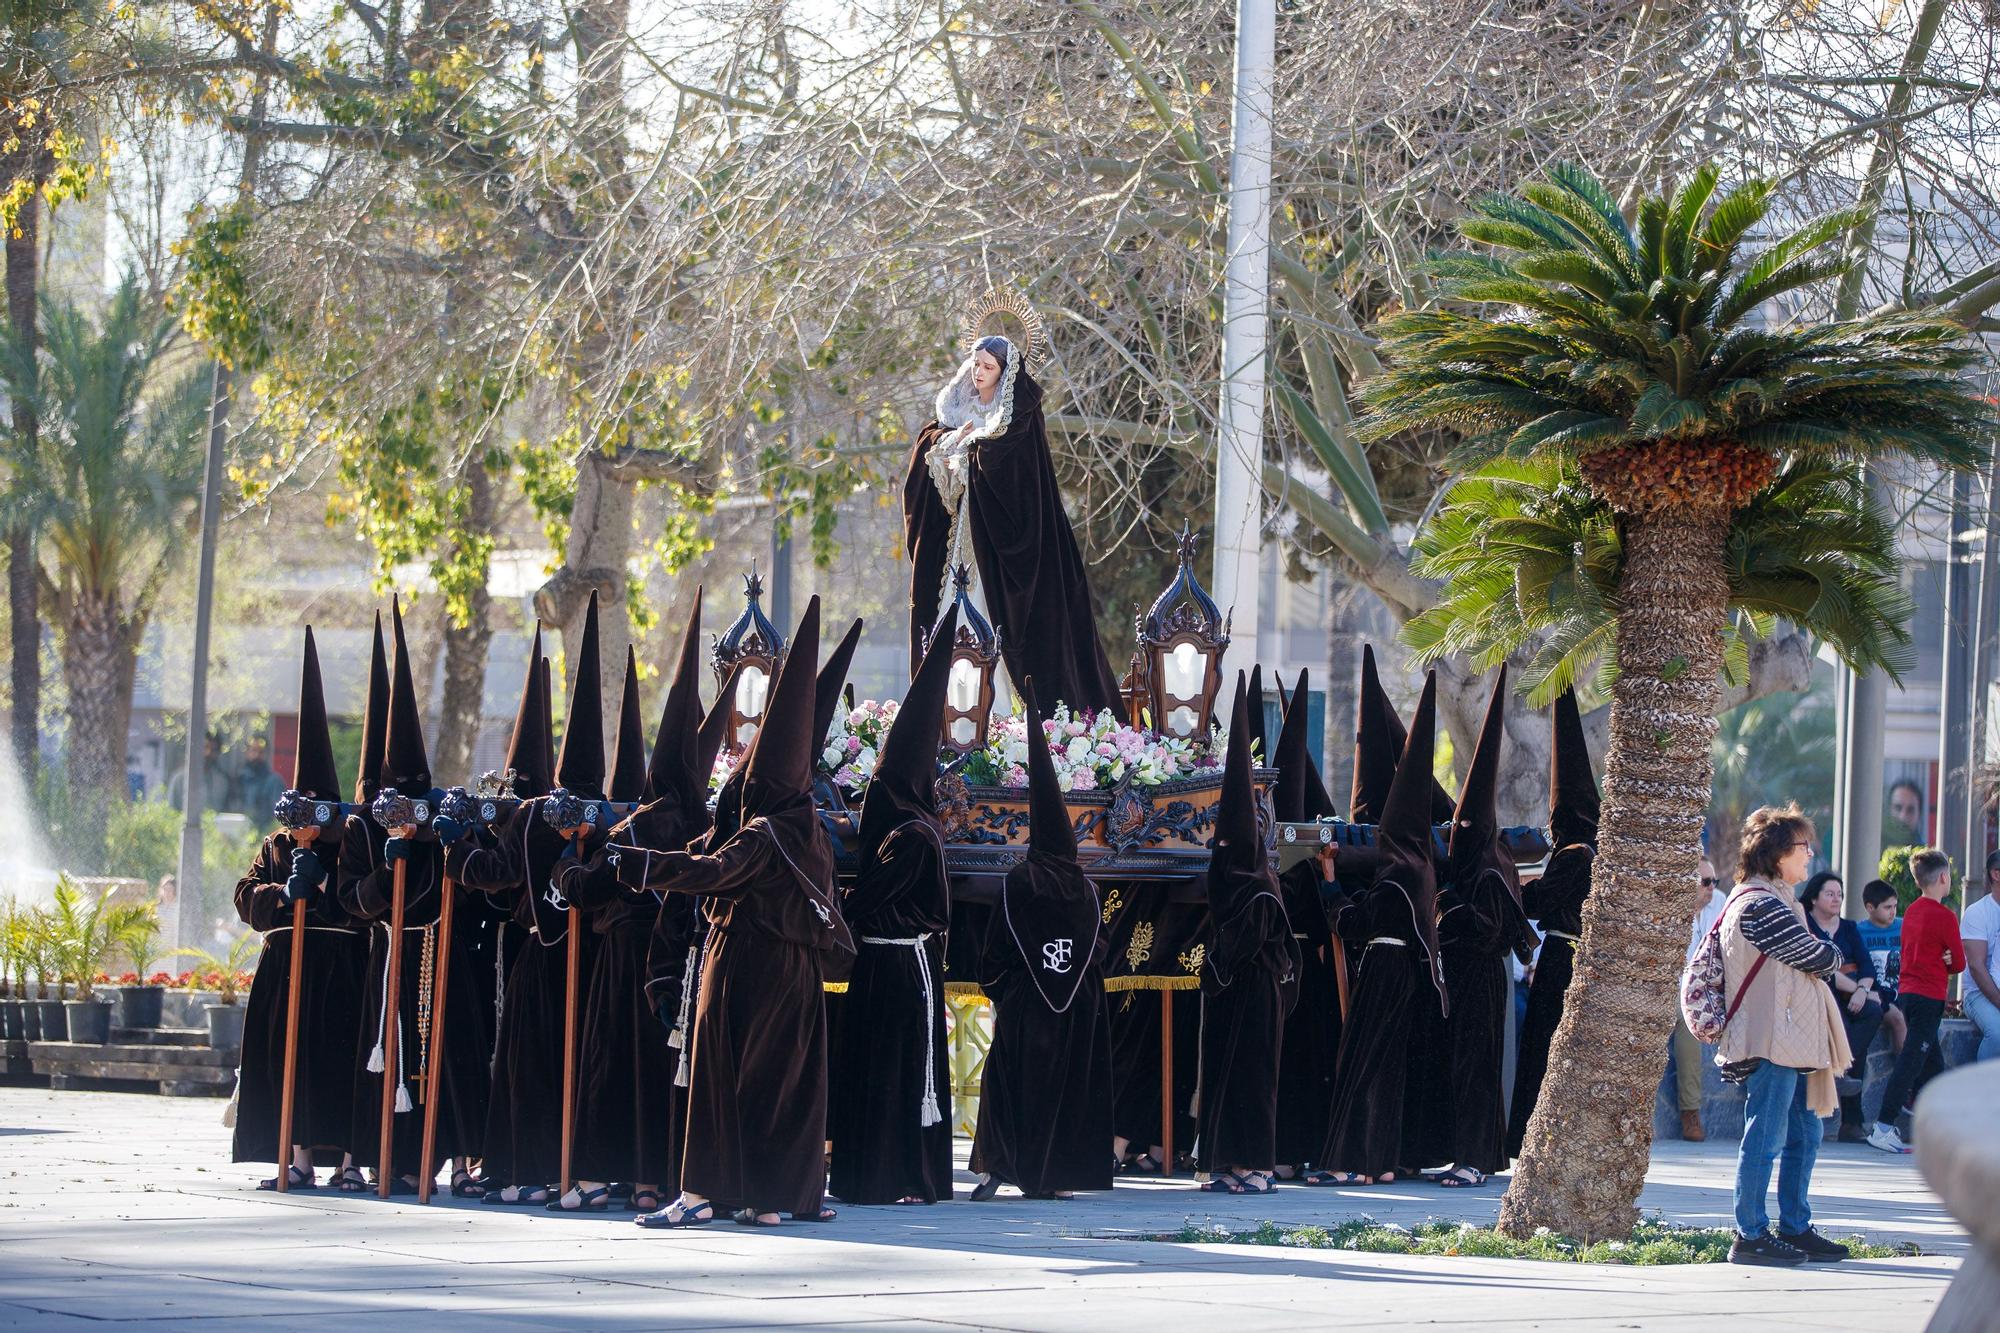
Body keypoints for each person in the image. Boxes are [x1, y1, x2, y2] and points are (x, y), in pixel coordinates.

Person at [609, 599, 851, 1228]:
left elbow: (711, 873)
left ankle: (697, 1195)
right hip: (797, 975)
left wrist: (639, 865)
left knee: (720, 1080)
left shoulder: (766, 830)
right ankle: (772, 1200)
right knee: (785, 1085)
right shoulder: (813, 830)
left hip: (743, 964)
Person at [338, 599, 490, 1196]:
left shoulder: (439, 821)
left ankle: (454, 1158)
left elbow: (470, 888)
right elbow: (353, 900)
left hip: (443, 956)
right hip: (389, 958)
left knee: (451, 1057)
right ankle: (388, 1159)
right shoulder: (362, 830)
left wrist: (444, 845)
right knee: (387, 1056)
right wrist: (386, 867)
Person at [902, 327, 1124, 717]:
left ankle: (998, 713)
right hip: (960, 536)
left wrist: (972, 449)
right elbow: (931, 464)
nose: (979, 372)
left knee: (988, 613)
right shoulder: (953, 413)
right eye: (976, 364)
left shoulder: (1017, 417)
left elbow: (1017, 479)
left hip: (997, 544)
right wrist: (951, 446)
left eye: (988, 366)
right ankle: (947, 714)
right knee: (949, 613)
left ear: (1004, 372)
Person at [442, 619, 576, 1208]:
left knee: (524, 1062)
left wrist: (456, 844)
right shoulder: (558, 812)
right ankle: (541, 1168)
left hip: (534, 951)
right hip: (570, 949)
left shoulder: (527, 817)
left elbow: (493, 874)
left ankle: (525, 1170)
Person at [827, 608, 959, 1206]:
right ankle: (866, 1175)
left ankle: (902, 1177)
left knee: (896, 1074)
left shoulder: (911, 838)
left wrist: (837, 898)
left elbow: (872, 898)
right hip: (884, 970)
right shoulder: (904, 830)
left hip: (901, 971)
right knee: (871, 1072)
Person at [230, 628, 368, 1192]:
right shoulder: (276, 848)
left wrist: (329, 888)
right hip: (287, 964)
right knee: (285, 1061)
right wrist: (285, 894)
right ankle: (296, 1156)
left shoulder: (350, 842)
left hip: (339, 968)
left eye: (308, 817)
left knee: (338, 1063)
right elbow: (245, 896)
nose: (299, 828)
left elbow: (362, 901)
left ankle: (349, 1162)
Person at [969, 677, 1116, 1202]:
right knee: (1064, 1089)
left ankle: (998, 1167)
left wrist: (1001, 990)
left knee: (1011, 1084)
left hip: (1029, 1006)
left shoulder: (1018, 880)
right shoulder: (1089, 888)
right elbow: (1099, 951)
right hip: (1076, 1008)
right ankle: (1052, 1176)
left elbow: (996, 950)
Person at [1308, 671, 1448, 1188]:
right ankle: (1383, 1161)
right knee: (1388, 1072)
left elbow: (1352, 922)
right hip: (1406, 976)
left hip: (1383, 972)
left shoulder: (1394, 878)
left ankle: (1354, 1163)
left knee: (1362, 1066)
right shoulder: (1420, 871)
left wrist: (1328, 880)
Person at [1405, 666, 1534, 1187]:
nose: (1457, 837)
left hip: (1480, 981)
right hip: (1456, 981)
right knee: (1451, 1067)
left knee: (1478, 1070)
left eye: (1464, 830)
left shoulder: (1490, 873)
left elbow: (1491, 930)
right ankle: (1452, 1150)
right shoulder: (1464, 869)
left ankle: (1477, 1159)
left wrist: (1449, 907)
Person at [549, 645, 661, 1213]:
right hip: (666, 962)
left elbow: (585, 889)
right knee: (655, 1070)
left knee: (610, 1064)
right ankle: (647, 1180)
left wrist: (567, 862)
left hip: (624, 960)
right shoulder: (679, 823)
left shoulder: (628, 833)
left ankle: (594, 1178)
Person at [1720, 803, 1851, 1268]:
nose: (1810, 855)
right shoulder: (1759, 903)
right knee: (1766, 1137)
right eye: (1802, 846)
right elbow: (1815, 956)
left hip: (1790, 1041)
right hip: (1771, 1040)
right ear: (1777, 854)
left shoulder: (1778, 899)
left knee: (1803, 1134)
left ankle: (1794, 1226)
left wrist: (1827, 953)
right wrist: (1832, 954)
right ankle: (1750, 1234)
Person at [1190, 674, 1299, 1195]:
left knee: (1254, 1082)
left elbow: (1244, 944)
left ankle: (1256, 1165)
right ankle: (1227, 1162)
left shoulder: (1259, 887)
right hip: (1233, 996)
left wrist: (1213, 969)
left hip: (1254, 995)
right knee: (1227, 1080)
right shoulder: (1241, 881)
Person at [1507, 687, 1597, 1159]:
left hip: (1564, 956)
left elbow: (1541, 901)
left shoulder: (1575, 854)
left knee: (1545, 1043)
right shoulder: (1594, 853)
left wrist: (1510, 887)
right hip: (1572, 954)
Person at [1270, 668, 1344, 1177]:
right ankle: (1280, 1152)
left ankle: (1300, 1151)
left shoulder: (1315, 861)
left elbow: (1324, 920)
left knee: (1301, 1064)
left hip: (1304, 974)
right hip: (1284, 968)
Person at [1867, 849, 1963, 1153]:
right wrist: (1946, 959)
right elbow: (1959, 962)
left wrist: (1943, 957)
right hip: (1930, 997)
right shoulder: (1945, 916)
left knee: (1933, 1065)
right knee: (1910, 1062)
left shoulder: (1910, 914)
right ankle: (1883, 1126)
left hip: (1907, 996)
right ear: (1944, 878)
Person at [1801, 871, 1885, 1142]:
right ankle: (1851, 1120)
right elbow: (1824, 970)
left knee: (1873, 1011)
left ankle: (1838, 1069)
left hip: (1851, 997)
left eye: (1839, 894)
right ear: (1814, 898)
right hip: (1820, 996)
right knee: (1850, 1034)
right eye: (1830, 893)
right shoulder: (1806, 925)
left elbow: (1867, 965)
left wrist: (1863, 990)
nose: (1837, 898)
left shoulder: (1848, 927)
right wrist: (1858, 989)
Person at [1670, 858, 1728, 1142]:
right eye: (1705, 882)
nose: (1711, 888)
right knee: (1687, 1022)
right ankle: (1690, 1111)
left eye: (1713, 881)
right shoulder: (1671, 908)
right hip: (1676, 990)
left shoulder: (1720, 902)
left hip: (1712, 988)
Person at [1855, 879, 1909, 1054]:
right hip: (1877, 994)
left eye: (1894, 906)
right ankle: (1906, 1074)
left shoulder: (1905, 927)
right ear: (1870, 907)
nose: (1893, 911)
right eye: (1887, 907)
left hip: (1906, 991)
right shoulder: (1857, 932)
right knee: (1898, 1019)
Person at [1960, 853, 2000, 1062]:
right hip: (1979, 994)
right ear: (1996, 874)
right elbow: (1976, 967)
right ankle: (1983, 1092)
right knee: (1998, 1034)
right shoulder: (1978, 913)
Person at [236, 736, 285, 829]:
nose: (257, 755)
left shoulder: (274, 782)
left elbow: (279, 819)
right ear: (247, 752)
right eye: (253, 750)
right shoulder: (239, 780)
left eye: (261, 752)